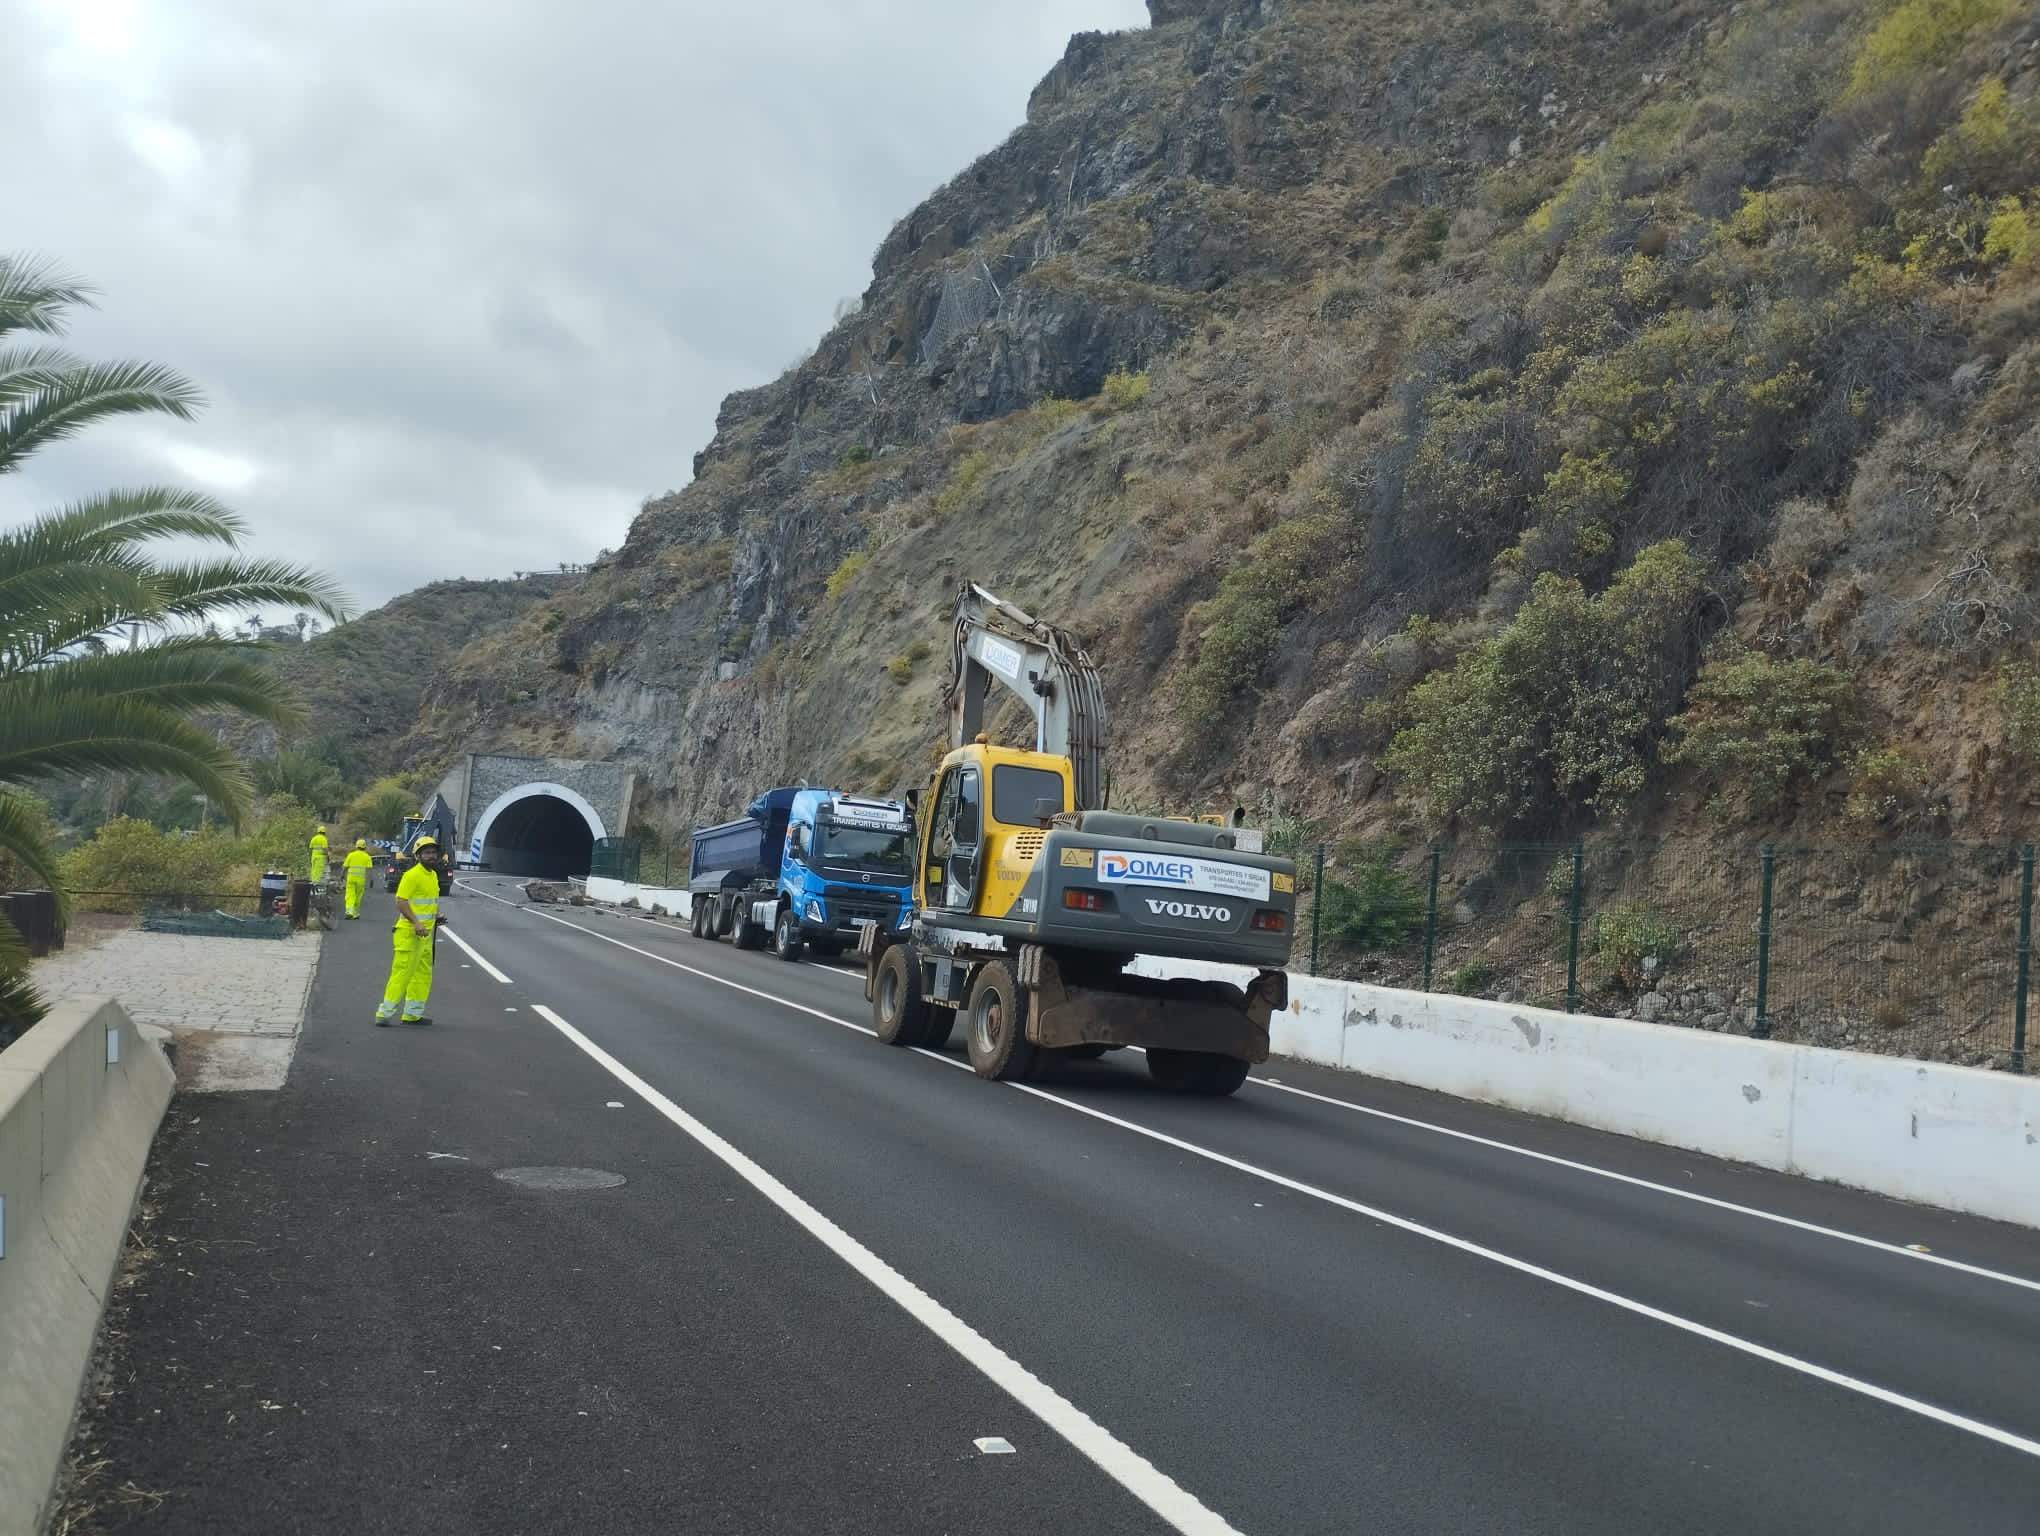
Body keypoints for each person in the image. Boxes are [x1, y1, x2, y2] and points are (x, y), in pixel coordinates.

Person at [376, 836, 444, 1026]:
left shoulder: (432, 875)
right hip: (409, 934)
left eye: (434, 852)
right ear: (418, 856)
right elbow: (401, 901)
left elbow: (426, 902)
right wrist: (416, 923)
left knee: (422, 976)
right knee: (402, 975)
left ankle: (412, 1014)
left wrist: (436, 916)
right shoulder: (412, 875)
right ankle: (384, 1014)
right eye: (427, 853)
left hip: (425, 936)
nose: (431, 856)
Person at [342, 839, 373, 920]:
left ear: (356, 846)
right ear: (365, 847)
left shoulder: (351, 855)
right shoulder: (367, 857)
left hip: (351, 879)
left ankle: (349, 912)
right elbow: (369, 870)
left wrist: (342, 875)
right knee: (358, 897)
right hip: (360, 880)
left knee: (349, 895)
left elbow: (345, 867)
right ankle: (355, 913)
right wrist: (371, 880)